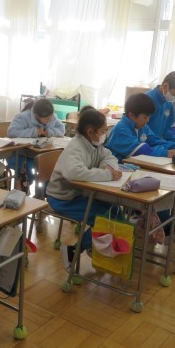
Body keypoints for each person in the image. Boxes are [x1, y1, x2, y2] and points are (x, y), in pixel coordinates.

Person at [46, 109, 122, 270]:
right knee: (106, 218)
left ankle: (94, 246)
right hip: (62, 198)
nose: (104, 135)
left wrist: (106, 166)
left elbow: (109, 156)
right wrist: (107, 174)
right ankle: (74, 250)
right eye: (102, 131)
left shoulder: (94, 144)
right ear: (90, 131)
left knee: (115, 211)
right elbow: (74, 173)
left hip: (80, 194)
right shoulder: (76, 147)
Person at [105, 93, 175, 162]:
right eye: (145, 117)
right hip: (116, 167)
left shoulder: (142, 126)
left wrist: (174, 147)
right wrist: (167, 153)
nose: (147, 120)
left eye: (149, 117)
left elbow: (155, 141)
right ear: (131, 115)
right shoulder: (121, 130)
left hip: (132, 165)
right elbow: (139, 150)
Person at [7, 98, 65, 193]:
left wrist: (50, 132)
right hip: (22, 154)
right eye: (47, 119)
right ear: (36, 116)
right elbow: (11, 132)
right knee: (30, 167)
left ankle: (44, 192)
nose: (50, 120)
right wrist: (34, 132)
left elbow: (62, 130)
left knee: (51, 165)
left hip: (42, 152)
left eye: (51, 117)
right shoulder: (23, 117)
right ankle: (23, 186)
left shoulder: (52, 117)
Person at [145, 70, 175, 144]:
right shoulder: (147, 100)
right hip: (147, 144)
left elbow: (169, 128)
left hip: (158, 144)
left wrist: (174, 144)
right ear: (165, 86)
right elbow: (142, 129)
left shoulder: (169, 103)